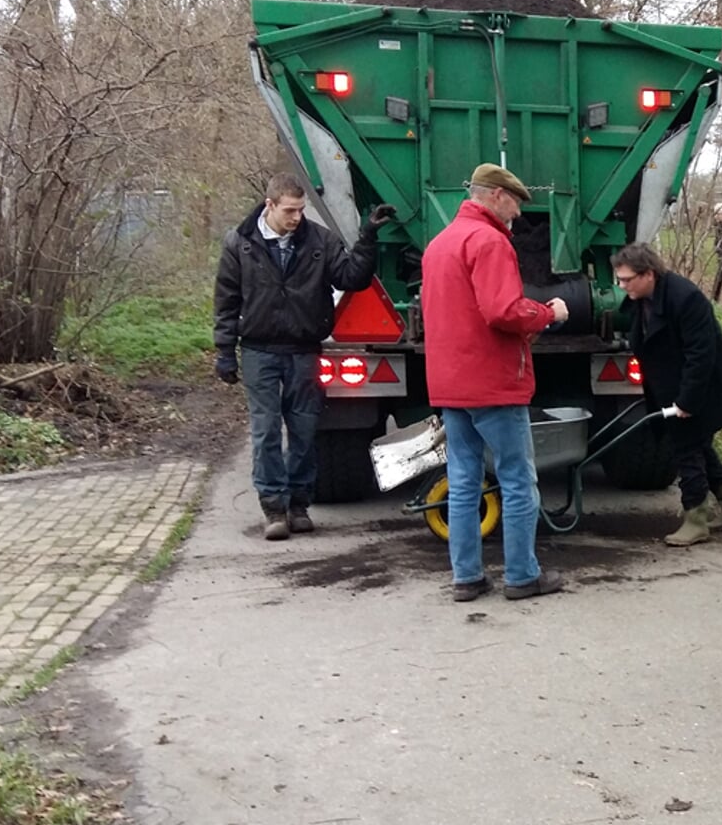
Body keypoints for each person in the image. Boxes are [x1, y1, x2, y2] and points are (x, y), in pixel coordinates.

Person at [420, 163, 570, 602]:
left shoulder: (439, 244)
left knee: (464, 479)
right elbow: (503, 310)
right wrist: (549, 314)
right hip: (492, 383)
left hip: (450, 382)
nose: (519, 215)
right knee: (518, 478)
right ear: (497, 196)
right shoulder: (489, 242)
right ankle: (522, 576)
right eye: (517, 204)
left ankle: (466, 577)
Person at [214, 172, 387, 541]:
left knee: (305, 430)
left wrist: (368, 238)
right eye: (290, 211)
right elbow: (226, 302)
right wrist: (225, 352)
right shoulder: (240, 243)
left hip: (304, 349)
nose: (296, 218)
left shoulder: (319, 241)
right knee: (265, 432)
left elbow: (350, 278)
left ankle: (299, 504)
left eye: (301, 210)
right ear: (270, 205)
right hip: (259, 350)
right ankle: (274, 508)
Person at [610, 242, 722, 547]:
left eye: (627, 279)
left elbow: (701, 354)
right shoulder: (640, 299)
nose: (621, 286)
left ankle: (695, 519)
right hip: (669, 386)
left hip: (700, 389)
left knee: (687, 448)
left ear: (648, 274)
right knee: (697, 444)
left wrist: (687, 400)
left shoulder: (685, 299)